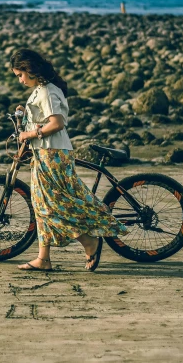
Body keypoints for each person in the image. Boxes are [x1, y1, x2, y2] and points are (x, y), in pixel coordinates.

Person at [10, 49, 127, 272]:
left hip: (53, 154)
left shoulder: (47, 92)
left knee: (53, 206)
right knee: (41, 206)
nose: (20, 79)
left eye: (20, 74)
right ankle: (43, 259)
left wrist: (29, 134)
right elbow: (43, 118)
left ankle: (89, 241)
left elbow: (56, 123)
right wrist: (24, 113)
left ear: (30, 69)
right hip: (44, 153)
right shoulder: (40, 90)